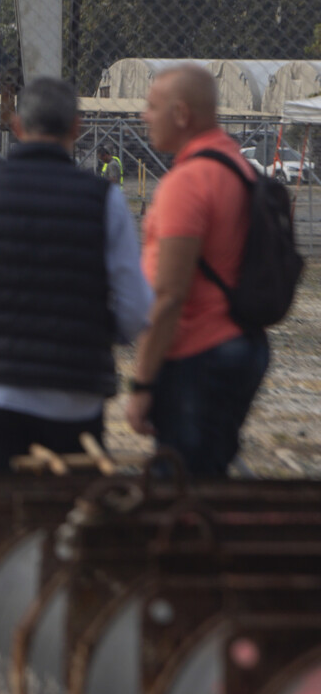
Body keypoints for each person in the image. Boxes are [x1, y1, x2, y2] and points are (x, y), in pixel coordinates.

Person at [0, 78, 153, 476]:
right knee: (69, 518)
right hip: (75, 396)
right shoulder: (104, 198)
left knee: (0, 517)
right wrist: (93, 331)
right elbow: (135, 308)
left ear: (16, 126)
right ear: (76, 127)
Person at [124, 64, 272, 476]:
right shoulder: (236, 168)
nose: (144, 116)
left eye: (152, 107)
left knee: (181, 485)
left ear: (182, 114)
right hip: (240, 345)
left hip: (199, 354)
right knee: (210, 473)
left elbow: (169, 295)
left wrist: (142, 386)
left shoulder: (187, 183)